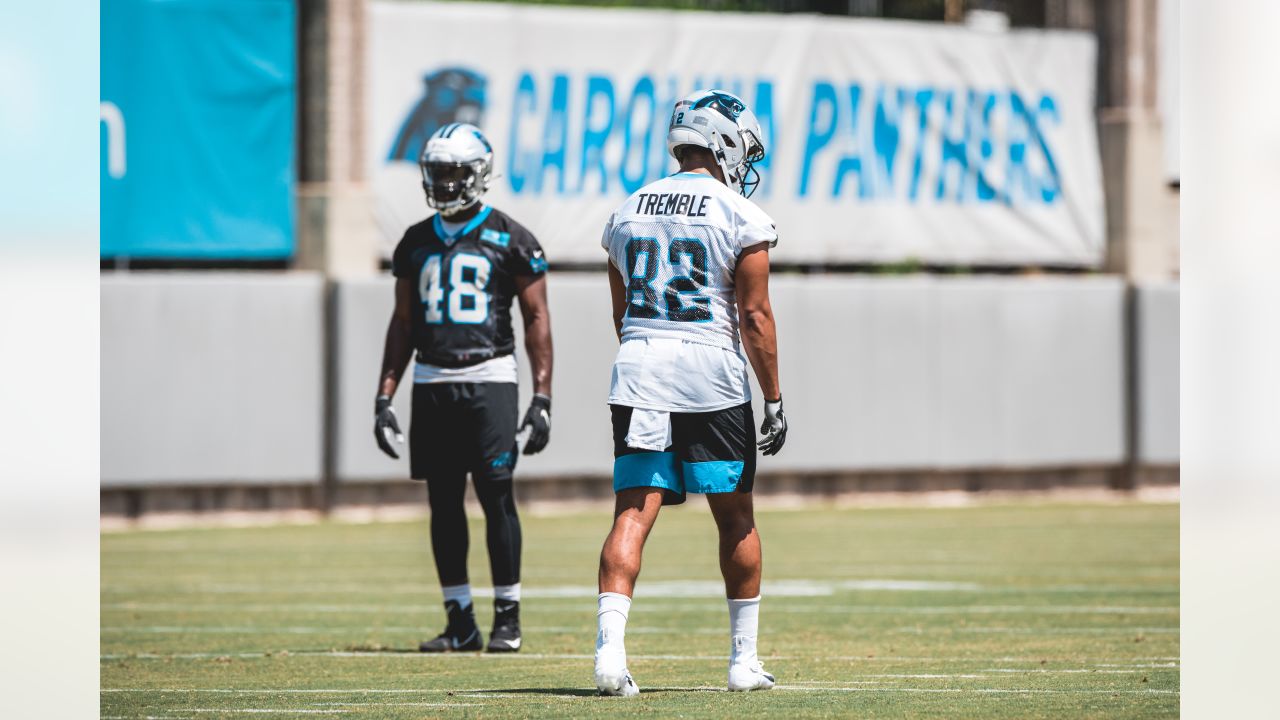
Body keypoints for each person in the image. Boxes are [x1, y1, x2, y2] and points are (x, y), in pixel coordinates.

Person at [593, 90, 788, 695]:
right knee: (735, 518)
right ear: (724, 142)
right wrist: (774, 398)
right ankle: (742, 662)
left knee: (632, 511)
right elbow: (754, 316)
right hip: (711, 371)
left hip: (641, 363)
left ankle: (609, 655)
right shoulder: (738, 214)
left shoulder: (628, 208)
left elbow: (623, 313)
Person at [374, 122, 553, 654]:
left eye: (454, 174)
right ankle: (460, 621)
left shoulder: (513, 238)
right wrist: (384, 396)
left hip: (490, 376)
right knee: (443, 501)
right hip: (432, 377)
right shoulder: (414, 241)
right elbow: (402, 322)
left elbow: (537, 318)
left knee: (497, 494)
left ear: (478, 175)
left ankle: (508, 618)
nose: (444, 184)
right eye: (437, 174)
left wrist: (542, 396)